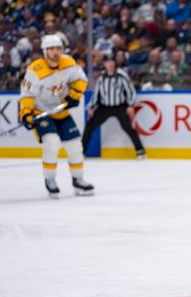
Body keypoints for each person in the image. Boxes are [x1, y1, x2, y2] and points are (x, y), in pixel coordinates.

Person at [19, 34, 94, 198]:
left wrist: (75, 95)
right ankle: (50, 180)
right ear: (45, 51)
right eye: (52, 49)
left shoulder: (68, 62)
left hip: (61, 110)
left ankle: (78, 179)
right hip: (41, 111)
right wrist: (26, 113)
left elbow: (80, 80)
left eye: (58, 48)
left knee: (75, 145)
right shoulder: (35, 70)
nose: (56, 52)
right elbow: (27, 95)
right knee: (51, 143)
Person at [81, 55, 145, 159]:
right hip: (104, 107)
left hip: (119, 107)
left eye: (112, 63)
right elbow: (97, 93)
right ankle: (82, 152)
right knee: (89, 126)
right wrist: (92, 107)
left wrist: (130, 105)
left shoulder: (121, 75)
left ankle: (140, 150)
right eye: (108, 63)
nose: (110, 65)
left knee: (128, 127)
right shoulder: (102, 77)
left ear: (115, 64)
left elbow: (130, 91)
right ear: (105, 65)